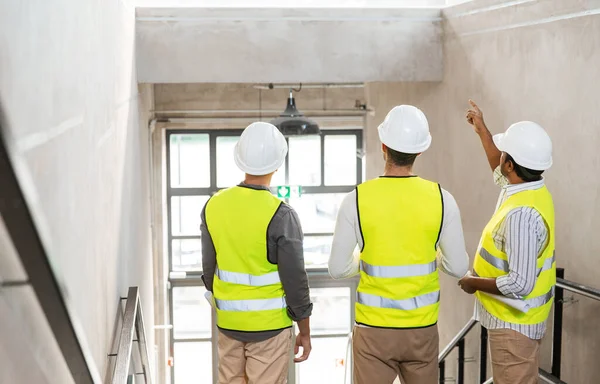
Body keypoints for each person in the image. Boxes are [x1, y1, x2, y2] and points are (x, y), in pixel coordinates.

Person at [328, 105, 470, 384]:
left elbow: (337, 269)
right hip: (421, 330)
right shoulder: (442, 199)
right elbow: (458, 268)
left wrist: (363, 258)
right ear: (420, 151)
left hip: (373, 332)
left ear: (383, 146)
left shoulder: (356, 199)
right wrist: (434, 255)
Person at [200, 122, 313, 384]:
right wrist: (304, 331)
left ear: (240, 159)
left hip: (228, 325)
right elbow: (296, 283)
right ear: (277, 164)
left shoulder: (213, 205)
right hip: (270, 329)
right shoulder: (282, 214)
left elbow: (208, 272)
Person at [458, 100, 555, 384]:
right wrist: (482, 131)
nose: (499, 158)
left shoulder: (521, 215)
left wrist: (472, 283)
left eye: (504, 155)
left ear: (510, 164)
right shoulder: (530, 188)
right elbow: (499, 173)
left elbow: (520, 283)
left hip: (515, 328)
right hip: (520, 323)